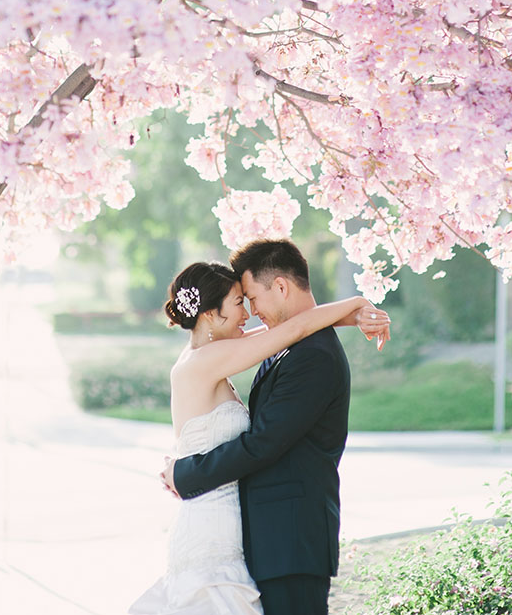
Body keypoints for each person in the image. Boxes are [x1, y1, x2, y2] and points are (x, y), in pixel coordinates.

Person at [130, 242, 390, 615]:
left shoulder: (304, 354)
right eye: (240, 302)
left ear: (280, 287)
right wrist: (355, 305)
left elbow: (264, 439)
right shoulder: (209, 360)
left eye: (249, 298)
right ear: (209, 314)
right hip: (220, 532)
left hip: (282, 539)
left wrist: (354, 313)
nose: (249, 314)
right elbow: (296, 327)